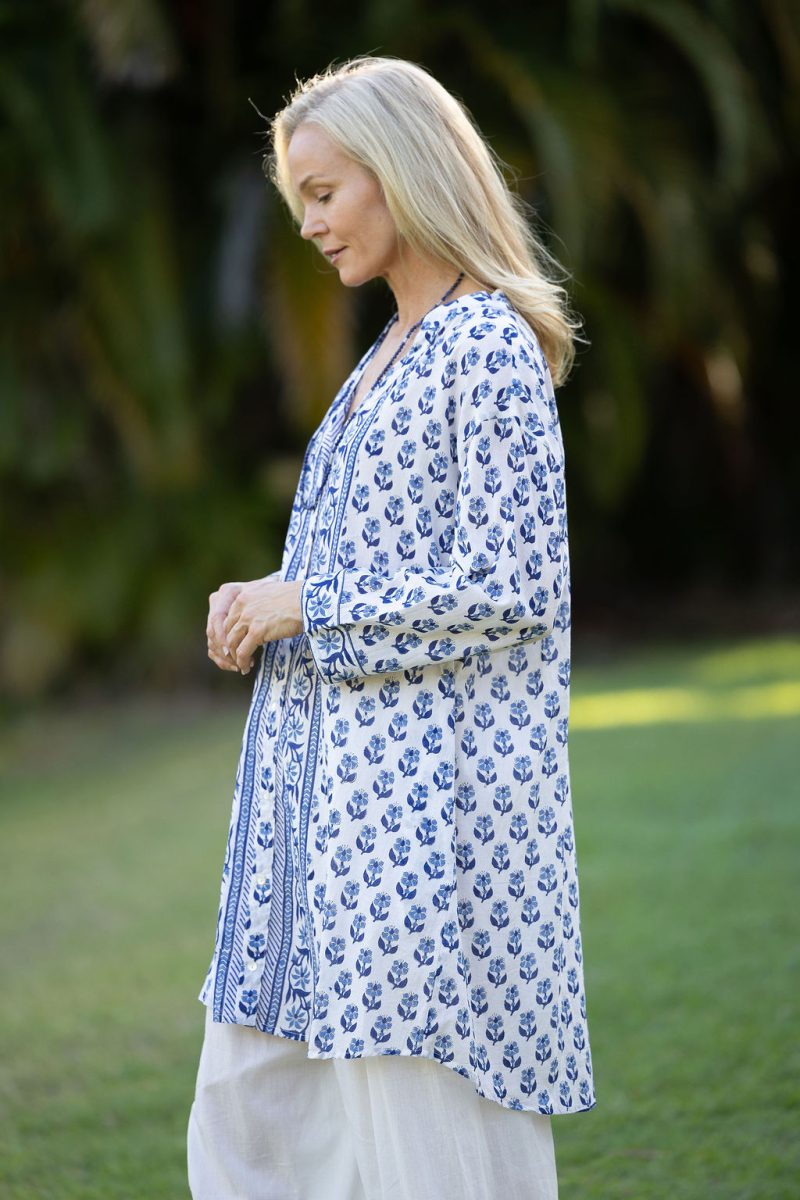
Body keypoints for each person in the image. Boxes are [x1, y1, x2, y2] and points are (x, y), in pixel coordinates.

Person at [188, 54, 596, 1200]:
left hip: (424, 829)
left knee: (422, 1140)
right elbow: (375, 559)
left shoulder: (482, 343)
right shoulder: (382, 358)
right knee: (258, 1119)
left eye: (323, 193)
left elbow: (507, 583)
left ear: (402, 171)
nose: (308, 226)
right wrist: (264, 598)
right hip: (324, 821)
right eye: (297, 201)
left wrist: (304, 602)